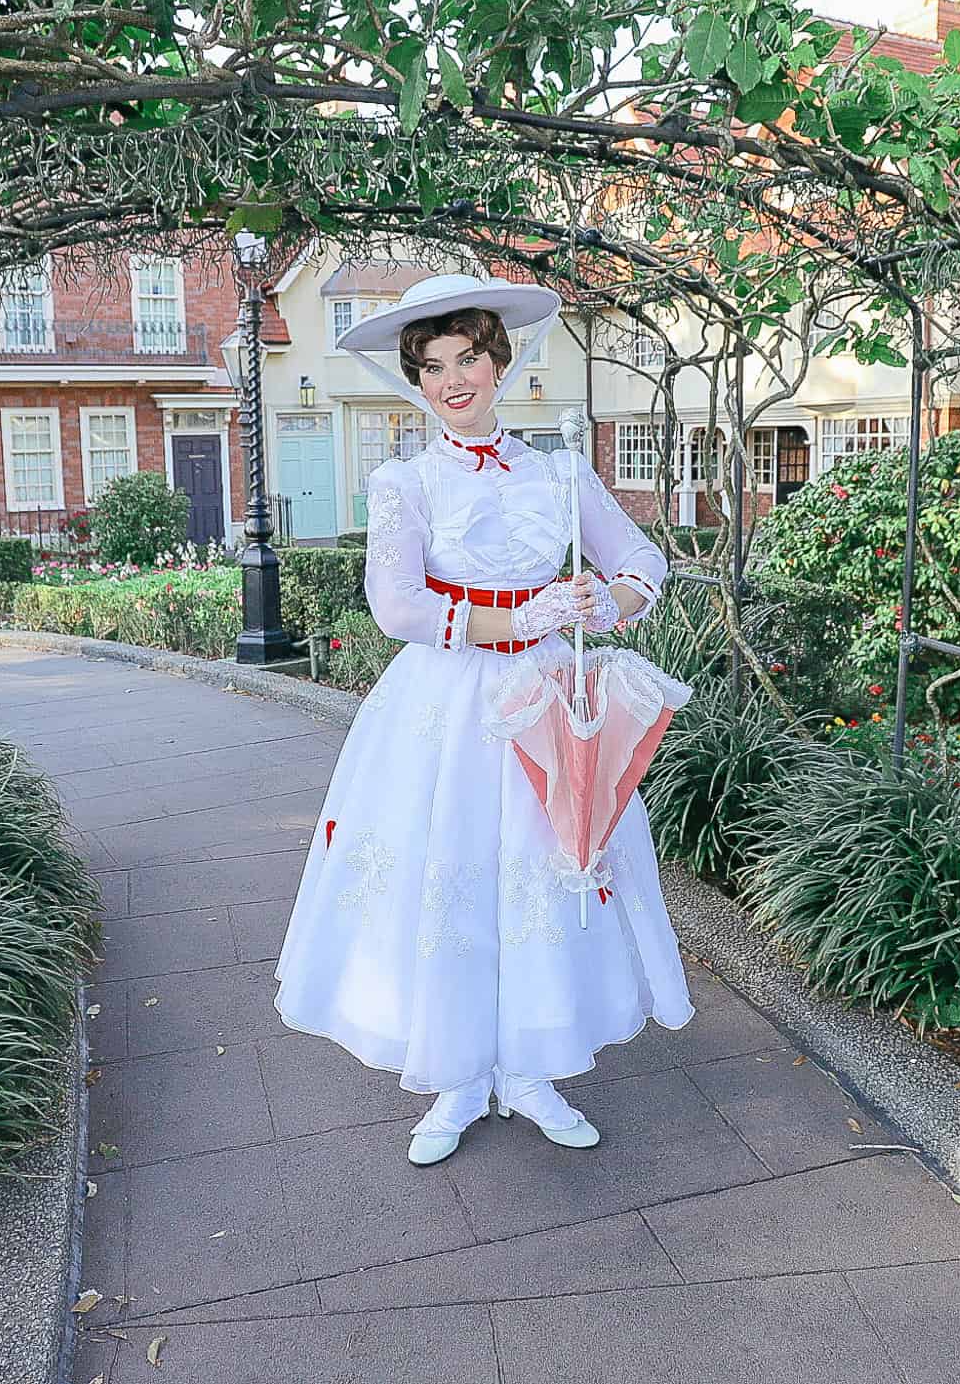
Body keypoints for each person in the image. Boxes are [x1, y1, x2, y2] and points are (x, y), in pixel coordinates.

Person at [271, 272, 695, 1166]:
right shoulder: (406, 481)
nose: (454, 380)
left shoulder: (560, 470)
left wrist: (600, 603)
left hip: (545, 699)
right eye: (433, 367)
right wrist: (517, 619)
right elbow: (397, 604)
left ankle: (532, 1065)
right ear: (417, 382)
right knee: (454, 870)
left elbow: (644, 559)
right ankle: (460, 1071)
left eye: (468, 358)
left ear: (497, 360)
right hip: (449, 703)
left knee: (544, 870)